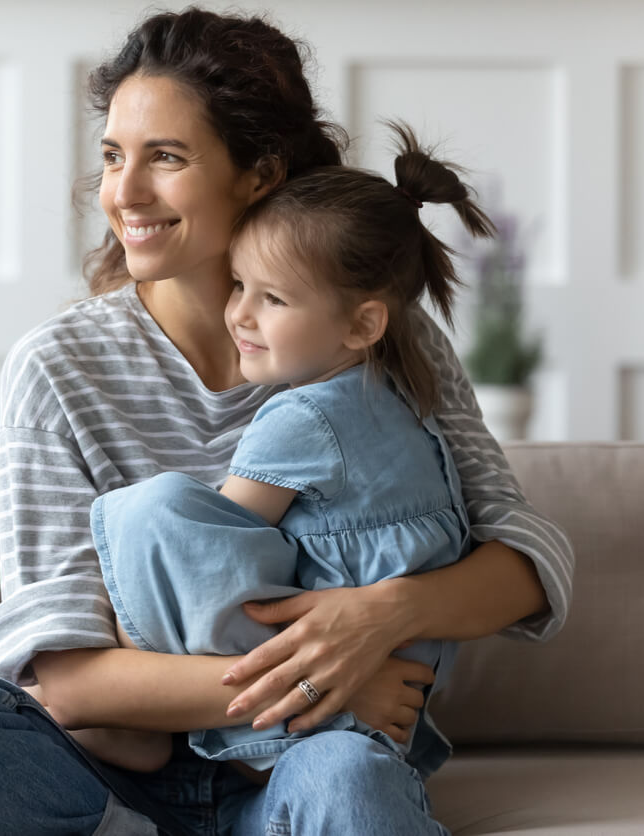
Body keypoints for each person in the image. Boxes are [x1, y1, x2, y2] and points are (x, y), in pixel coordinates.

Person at [0, 8, 573, 835]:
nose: (122, 193)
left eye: (164, 157)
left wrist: (379, 618)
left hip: (313, 756)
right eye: (112, 156)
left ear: (259, 173)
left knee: (350, 781)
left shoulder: (375, 341)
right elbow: (66, 679)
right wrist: (322, 678)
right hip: (112, 772)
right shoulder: (56, 368)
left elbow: (529, 561)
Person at [75, 123, 490, 777]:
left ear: (363, 324)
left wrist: (130, 638)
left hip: (335, 672)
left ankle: (164, 710)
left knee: (151, 513)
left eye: (272, 298)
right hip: (412, 667)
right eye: (238, 286)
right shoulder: (400, 388)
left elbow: (211, 540)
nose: (238, 314)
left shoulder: (299, 418)